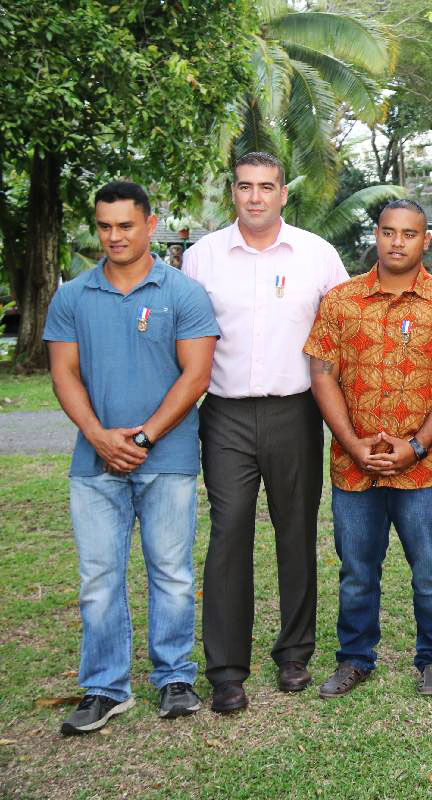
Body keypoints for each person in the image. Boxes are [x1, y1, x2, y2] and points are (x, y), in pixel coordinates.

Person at [45, 181, 219, 733]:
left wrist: (142, 438)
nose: (114, 236)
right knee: (99, 578)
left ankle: (175, 679)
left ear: (150, 224)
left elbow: (197, 376)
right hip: (94, 465)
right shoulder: (73, 296)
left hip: (166, 461)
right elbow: (63, 374)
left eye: (125, 225)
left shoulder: (184, 293)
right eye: (105, 226)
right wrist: (99, 436)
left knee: (171, 572)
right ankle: (105, 688)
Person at [182, 152, 350, 713]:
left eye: (267, 187)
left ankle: (294, 653)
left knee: (296, 530)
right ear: (234, 192)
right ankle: (227, 669)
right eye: (245, 187)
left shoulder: (317, 256)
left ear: (284, 193)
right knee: (229, 531)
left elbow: (344, 332)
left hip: (295, 411)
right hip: (224, 413)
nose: (256, 197)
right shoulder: (202, 257)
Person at [303, 200, 432, 697]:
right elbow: (322, 375)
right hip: (353, 465)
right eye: (388, 232)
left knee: (429, 568)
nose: (397, 242)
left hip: (423, 470)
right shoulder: (340, 301)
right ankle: (355, 658)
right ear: (376, 236)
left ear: (426, 241)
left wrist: (417, 446)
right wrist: (352, 443)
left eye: (409, 234)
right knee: (357, 570)